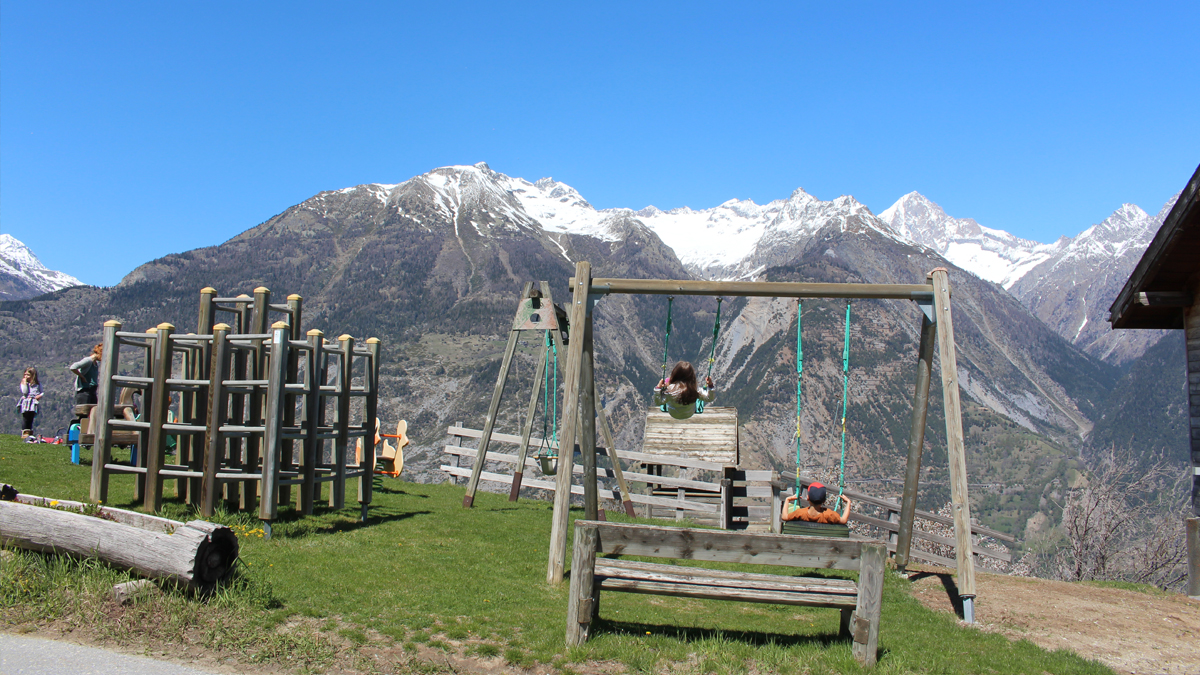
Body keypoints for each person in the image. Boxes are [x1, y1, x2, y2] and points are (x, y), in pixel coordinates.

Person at [781, 481, 853, 524]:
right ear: (824, 501)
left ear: (808, 498)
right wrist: (848, 502)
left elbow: (784, 517)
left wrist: (787, 500)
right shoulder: (829, 515)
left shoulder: (800, 513)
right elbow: (843, 520)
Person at [18, 368, 43, 438]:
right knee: (26, 417)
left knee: (31, 417)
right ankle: (24, 432)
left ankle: (30, 432)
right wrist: (25, 383)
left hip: (33, 402)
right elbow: (25, 392)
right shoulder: (24, 383)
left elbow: (42, 392)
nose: (26, 376)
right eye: (25, 374)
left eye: (28, 375)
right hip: (26, 402)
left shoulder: (37, 384)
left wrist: (40, 396)